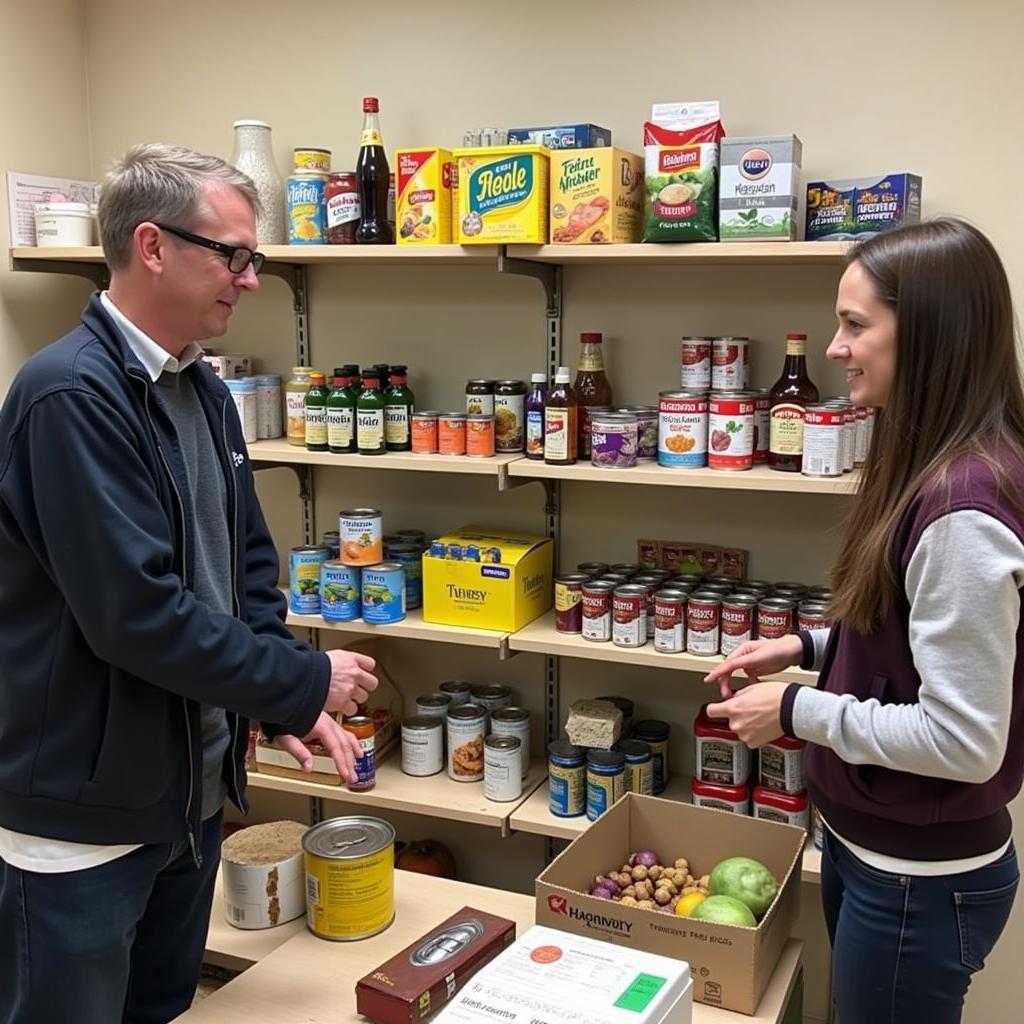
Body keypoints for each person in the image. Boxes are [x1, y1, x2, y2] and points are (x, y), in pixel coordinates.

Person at [0, 144, 380, 1024]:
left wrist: (281, 700)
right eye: (232, 255)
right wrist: (304, 677)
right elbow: (136, 616)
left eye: (255, 260)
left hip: (189, 793)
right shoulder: (70, 397)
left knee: (164, 1006)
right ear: (153, 246)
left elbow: (245, 571)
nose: (250, 280)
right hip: (84, 815)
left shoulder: (199, 388)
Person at [704, 218, 1022, 1023]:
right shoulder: (933, 464)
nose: (834, 349)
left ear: (930, 334)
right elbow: (917, 639)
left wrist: (793, 710)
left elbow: (963, 740)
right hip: (875, 851)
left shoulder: (964, 508)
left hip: (918, 879)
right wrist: (807, 645)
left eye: (855, 325)